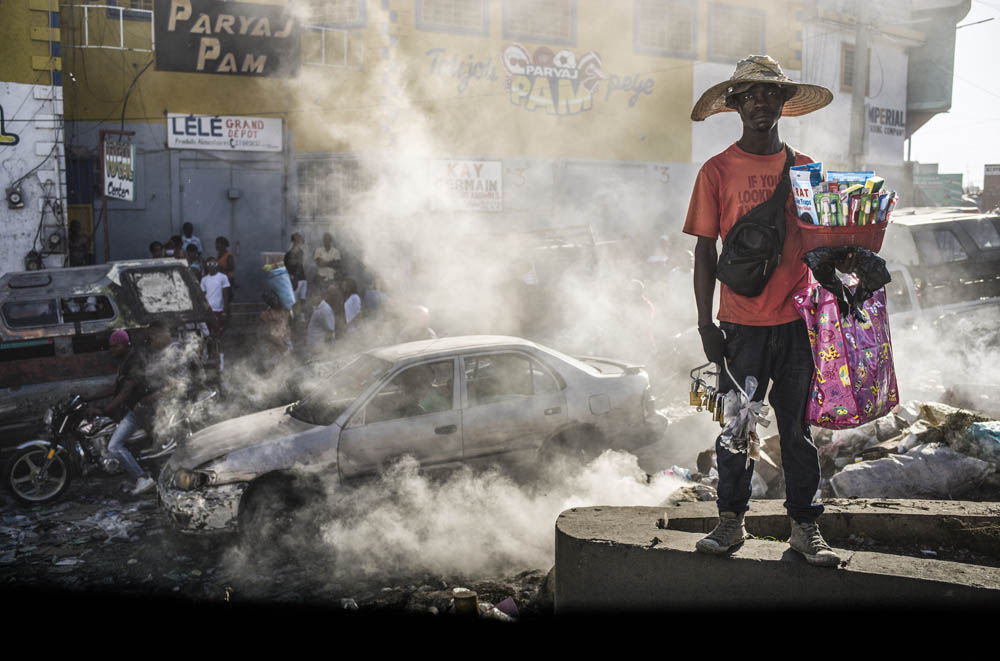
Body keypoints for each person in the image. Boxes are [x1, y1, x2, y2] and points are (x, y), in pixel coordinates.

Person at [684, 55, 841, 567]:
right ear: (735, 105)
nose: (759, 104)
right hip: (741, 330)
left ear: (783, 105)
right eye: (749, 96)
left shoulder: (805, 170)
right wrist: (706, 324)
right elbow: (705, 250)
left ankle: (804, 530)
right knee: (735, 430)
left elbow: (822, 246)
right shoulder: (716, 171)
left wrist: (844, 278)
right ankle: (730, 524)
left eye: (769, 95)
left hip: (796, 326)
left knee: (796, 433)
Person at [85, 330, 156, 495]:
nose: (113, 350)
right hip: (134, 409)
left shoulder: (134, 361)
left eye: (116, 346)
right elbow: (115, 388)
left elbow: (125, 392)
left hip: (141, 410)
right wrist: (88, 398)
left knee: (114, 446)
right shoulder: (124, 362)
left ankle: (142, 478)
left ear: (125, 344)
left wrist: (103, 409)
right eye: (111, 347)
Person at [200, 257, 231, 337]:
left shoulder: (223, 277)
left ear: (217, 265)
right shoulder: (204, 279)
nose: (211, 266)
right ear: (206, 266)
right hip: (208, 310)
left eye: (214, 263)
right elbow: (202, 296)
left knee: (218, 332)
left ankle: (218, 348)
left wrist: (225, 311)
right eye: (209, 264)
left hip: (218, 309)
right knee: (208, 333)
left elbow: (226, 295)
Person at [307, 284, 341, 351]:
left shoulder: (325, 309)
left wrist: (328, 350)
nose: (311, 299)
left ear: (319, 297)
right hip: (316, 347)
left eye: (312, 297)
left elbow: (330, 330)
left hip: (321, 348)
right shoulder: (318, 307)